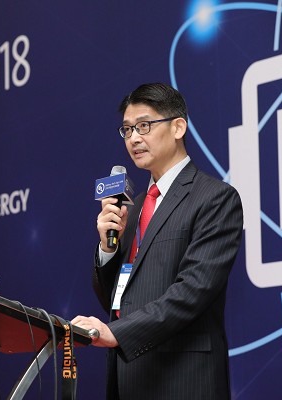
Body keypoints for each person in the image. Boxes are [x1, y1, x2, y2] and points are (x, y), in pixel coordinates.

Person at [72, 83, 243, 400]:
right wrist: (108, 248)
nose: (134, 138)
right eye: (127, 130)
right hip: (129, 378)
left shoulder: (215, 198)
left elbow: (192, 291)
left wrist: (117, 333)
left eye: (144, 126)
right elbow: (117, 301)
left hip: (183, 379)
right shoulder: (133, 207)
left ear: (178, 127)